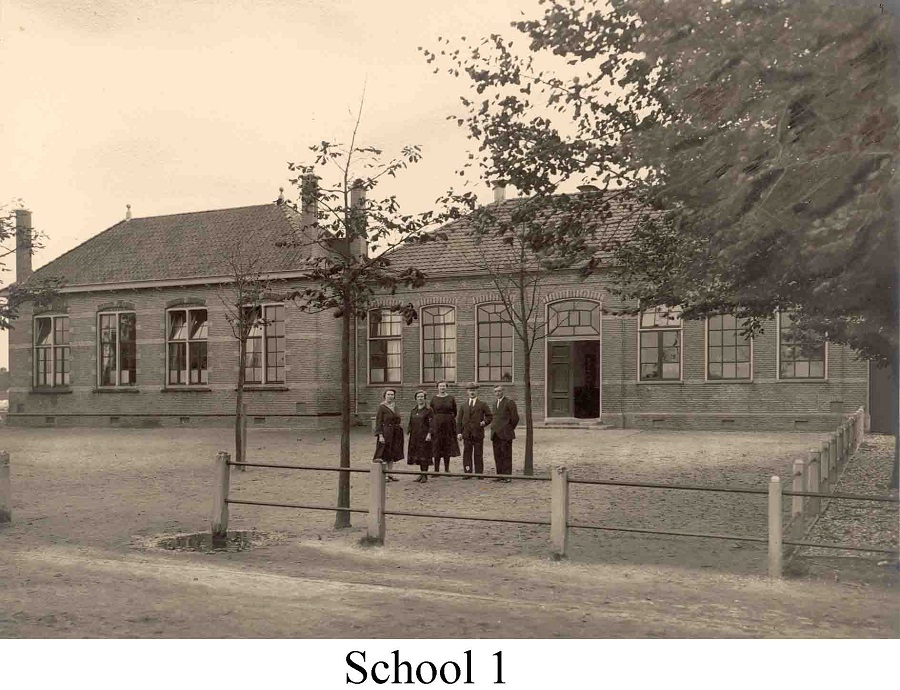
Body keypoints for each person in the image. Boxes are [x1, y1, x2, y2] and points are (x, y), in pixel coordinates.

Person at [456, 382, 493, 479]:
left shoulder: (482, 404)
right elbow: (459, 421)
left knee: (478, 453)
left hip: (478, 433)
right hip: (467, 434)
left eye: (474, 390)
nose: (472, 392)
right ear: (467, 392)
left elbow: (489, 416)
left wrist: (484, 422)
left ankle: (479, 473)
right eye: (470, 390)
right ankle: (468, 472)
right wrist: (459, 432)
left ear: (477, 391)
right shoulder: (463, 406)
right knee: (467, 453)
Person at [429, 380, 460, 476]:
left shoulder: (451, 398)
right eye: (440, 386)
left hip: (448, 426)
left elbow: (455, 411)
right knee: (437, 446)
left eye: (444, 386)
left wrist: (448, 419)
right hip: (437, 425)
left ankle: (447, 469)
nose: (442, 388)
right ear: (437, 387)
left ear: (446, 387)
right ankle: (436, 470)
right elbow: (431, 412)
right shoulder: (434, 399)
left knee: (447, 446)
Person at [490, 384, 519, 483]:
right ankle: (499, 475)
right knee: (497, 455)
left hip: (506, 433)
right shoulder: (494, 403)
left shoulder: (509, 402)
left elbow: (515, 418)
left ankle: (507, 476)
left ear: (503, 391)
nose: (497, 393)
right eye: (495, 391)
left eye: (499, 391)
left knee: (506, 455)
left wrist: (509, 428)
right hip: (495, 434)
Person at [374, 388, 403, 482]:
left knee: (392, 453)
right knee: (385, 453)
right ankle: (385, 474)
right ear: (385, 396)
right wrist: (380, 435)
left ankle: (390, 473)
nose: (390, 396)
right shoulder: (381, 407)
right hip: (386, 432)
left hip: (395, 432)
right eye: (388, 394)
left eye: (392, 395)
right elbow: (378, 422)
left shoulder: (395, 406)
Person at [407, 390, 434, 483]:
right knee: (418, 455)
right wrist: (409, 431)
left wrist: (429, 434)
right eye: (418, 397)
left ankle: (424, 475)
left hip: (425, 436)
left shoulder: (429, 410)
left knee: (424, 455)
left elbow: (432, 423)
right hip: (415, 436)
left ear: (425, 398)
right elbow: (410, 422)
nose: (420, 398)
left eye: (422, 397)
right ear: (416, 399)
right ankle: (421, 474)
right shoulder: (413, 410)